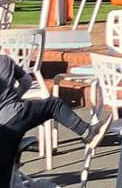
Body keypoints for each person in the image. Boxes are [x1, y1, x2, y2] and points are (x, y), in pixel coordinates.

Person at [0, 54, 95, 182]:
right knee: (54, 105)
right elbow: (27, 81)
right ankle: (87, 132)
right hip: (15, 113)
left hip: (4, 128)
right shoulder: (5, 60)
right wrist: (14, 98)